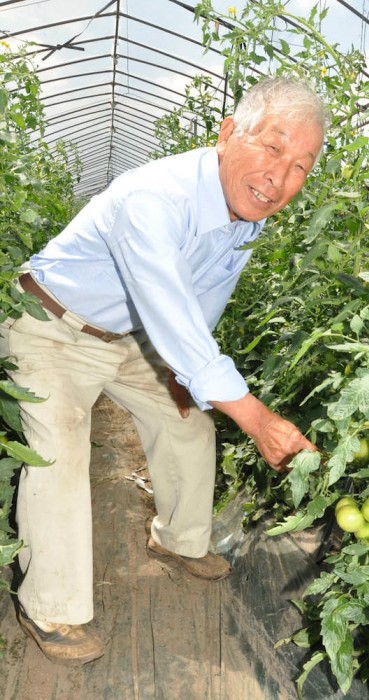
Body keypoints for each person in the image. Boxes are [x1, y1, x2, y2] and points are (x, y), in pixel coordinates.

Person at [0, 75, 327, 665]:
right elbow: (168, 306)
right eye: (273, 148)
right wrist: (253, 416)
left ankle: (180, 541)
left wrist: (185, 377)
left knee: (189, 424)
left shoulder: (243, 214)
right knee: (61, 452)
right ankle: (52, 609)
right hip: (49, 324)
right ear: (228, 134)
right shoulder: (154, 196)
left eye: (302, 165)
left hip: (126, 335)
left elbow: (203, 297)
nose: (281, 177)